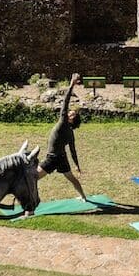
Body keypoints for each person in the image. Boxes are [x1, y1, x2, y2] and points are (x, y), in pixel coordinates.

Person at [37, 73, 87, 202]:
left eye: (71, 114)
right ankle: (83, 197)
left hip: (53, 158)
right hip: (62, 158)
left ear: (70, 120)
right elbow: (73, 150)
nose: (69, 112)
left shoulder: (63, 123)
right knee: (71, 178)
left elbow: (65, 101)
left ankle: (30, 202)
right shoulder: (70, 133)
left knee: (33, 178)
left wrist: (71, 84)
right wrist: (77, 165)